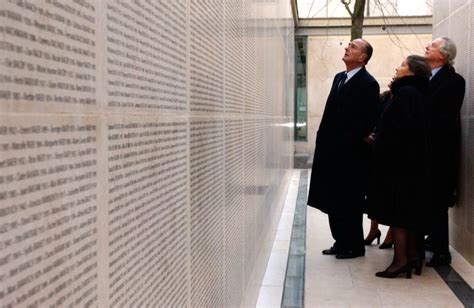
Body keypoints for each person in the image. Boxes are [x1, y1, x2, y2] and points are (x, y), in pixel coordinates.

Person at [307, 39, 379, 259]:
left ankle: (354, 246)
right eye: (348, 45)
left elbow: (367, 119)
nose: (347, 48)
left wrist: (352, 141)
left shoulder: (369, 83)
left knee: (349, 200)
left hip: (351, 154)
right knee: (332, 198)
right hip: (330, 151)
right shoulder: (339, 78)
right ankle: (340, 241)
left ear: (363, 57)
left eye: (353, 47)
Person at [367, 55, 431, 278]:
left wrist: (379, 141)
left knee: (398, 214)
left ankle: (400, 260)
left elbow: (399, 130)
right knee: (407, 212)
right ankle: (412, 256)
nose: (398, 67)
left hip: (399, 165)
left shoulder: (405, 93)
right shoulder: (419, 92)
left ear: (412, 72)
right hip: (411, 164)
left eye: (403, 65)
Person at [424, 37, 466, 267]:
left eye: (432, 45)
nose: (427, 47)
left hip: (439, 152)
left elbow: (443, 119)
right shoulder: (425, 77)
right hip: (423, 150)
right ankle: (431, 239)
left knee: (438, 201)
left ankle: (442, 252)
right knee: (428, 201)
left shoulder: (454, 81)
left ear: (443, 55)